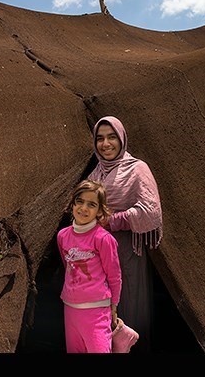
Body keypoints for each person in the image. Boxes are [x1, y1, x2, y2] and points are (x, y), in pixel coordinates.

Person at [88, 116, 162, 353]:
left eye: (112, 137)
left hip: (126, 251)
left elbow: (151, 211)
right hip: (98, 254)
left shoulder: (137, 169)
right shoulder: (96, 173)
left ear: (121, 139)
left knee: (129, 306)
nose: (105, 144)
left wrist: (113, 221)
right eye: (100, 138)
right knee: (103, 311)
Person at [57, 179, 122, 353]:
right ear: (72, 204)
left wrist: (114, 306)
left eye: (91, 204)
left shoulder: (104, 239)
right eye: (80, 201)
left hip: (97, 311)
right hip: (70, 308)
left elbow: (114, 276)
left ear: (99, 210)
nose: (84, 208)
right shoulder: (62, 236)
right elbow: (67, 266)